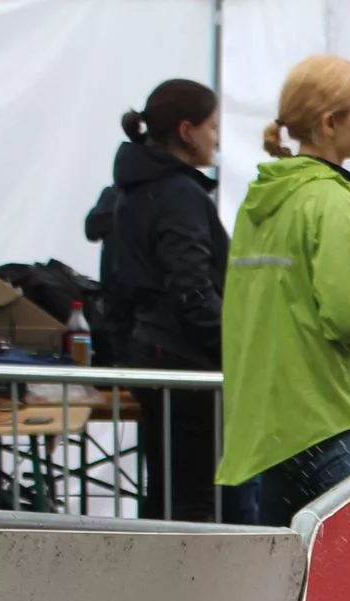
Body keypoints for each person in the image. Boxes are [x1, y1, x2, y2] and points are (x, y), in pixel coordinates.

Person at [218, 55, 350, 527]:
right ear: (329, 123)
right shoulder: (331, 201)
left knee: (287, 570)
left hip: (271, 430)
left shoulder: (259, 203)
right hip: (332, 421)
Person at [100, 79, 243, 523]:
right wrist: (236, 349)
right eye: (212, 127)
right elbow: (192, 290)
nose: (216, 139)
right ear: (187, 131)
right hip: (186, 363)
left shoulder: (132, 189)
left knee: (166, 489)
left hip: (152, 355)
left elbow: (115, 283)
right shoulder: (180, 194)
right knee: (193, 497)